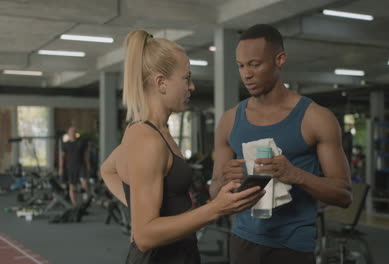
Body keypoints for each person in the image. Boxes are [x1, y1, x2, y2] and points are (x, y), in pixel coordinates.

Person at [100, 30, 264, 264]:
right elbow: (144, 236)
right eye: (186, 78)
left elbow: (108, 169)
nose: (192, 87)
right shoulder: (147, 139)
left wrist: (138, 207)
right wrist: (215, 209)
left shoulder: (158, 132)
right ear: (161, 83)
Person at [209, 24, 353, 264]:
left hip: (293, 245)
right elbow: (214, 193)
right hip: (243, 241)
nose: (246, 74)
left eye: (254, 64)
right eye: (241, 66)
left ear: (280, 59)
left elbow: (344, 195)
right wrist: (224, 180)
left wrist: (296, 175)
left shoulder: (315, 118)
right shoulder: (229, 121)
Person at [58, 126, 91, 206]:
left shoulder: (81, 142)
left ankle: (86, 200)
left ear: (76, 133)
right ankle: (74, 205)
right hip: (71, 167)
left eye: (73, 132)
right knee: (72, 186)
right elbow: (62, 157)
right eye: (71, 132)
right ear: (68, 134)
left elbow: (85, 155)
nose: (72, 134)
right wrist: (61, 168)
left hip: (81, 165)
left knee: (85, 182)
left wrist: (88, 164)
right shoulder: (65, 144)